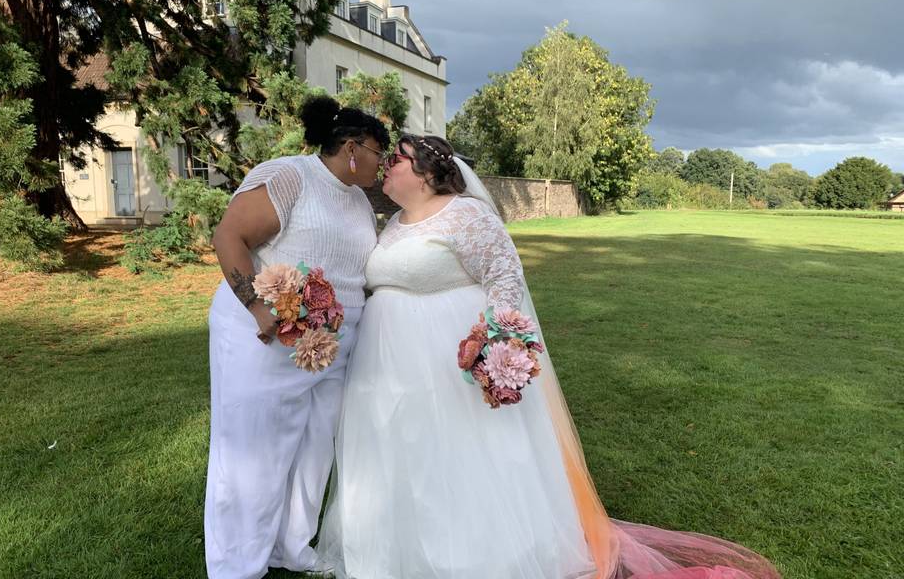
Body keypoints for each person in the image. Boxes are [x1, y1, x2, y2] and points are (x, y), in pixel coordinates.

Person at [317, 134, 780, 579]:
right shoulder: (393, 225)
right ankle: (397, 547)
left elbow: (505, 281)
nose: (387, 167)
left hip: (449, 354)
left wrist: (496, 350)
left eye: (396, 159)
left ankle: (473, 555)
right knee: (400, 445)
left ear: (425, 174)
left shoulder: (467, 217)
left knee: (459, 451)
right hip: (388, 359)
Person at [204, 96, 389, 579]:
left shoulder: (358, 200)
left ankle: (291, 546)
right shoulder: (289, 177)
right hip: (266, 337)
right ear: (353, 147)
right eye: (378, 151)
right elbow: (229, 237)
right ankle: (237, 566)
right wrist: (258, 309)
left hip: (331, 347)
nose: (382, 163)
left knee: (313, 450)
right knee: (253, 452)